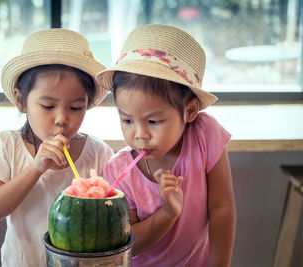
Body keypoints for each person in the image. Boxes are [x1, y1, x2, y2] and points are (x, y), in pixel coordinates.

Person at [97, 24, 236, 266]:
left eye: (154, 121)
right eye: (127, 120)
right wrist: (168, 214)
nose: (139, 134)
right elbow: (127, 245)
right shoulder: (117, 171)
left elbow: (222, 207)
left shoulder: (204, 135)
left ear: (190, 111)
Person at [0, 29, 114, 266]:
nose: (62, 118)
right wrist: (36, 168)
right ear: (21, 101)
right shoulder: (5, 145)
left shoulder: (99, 154)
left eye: (76, 108)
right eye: (48, 106)